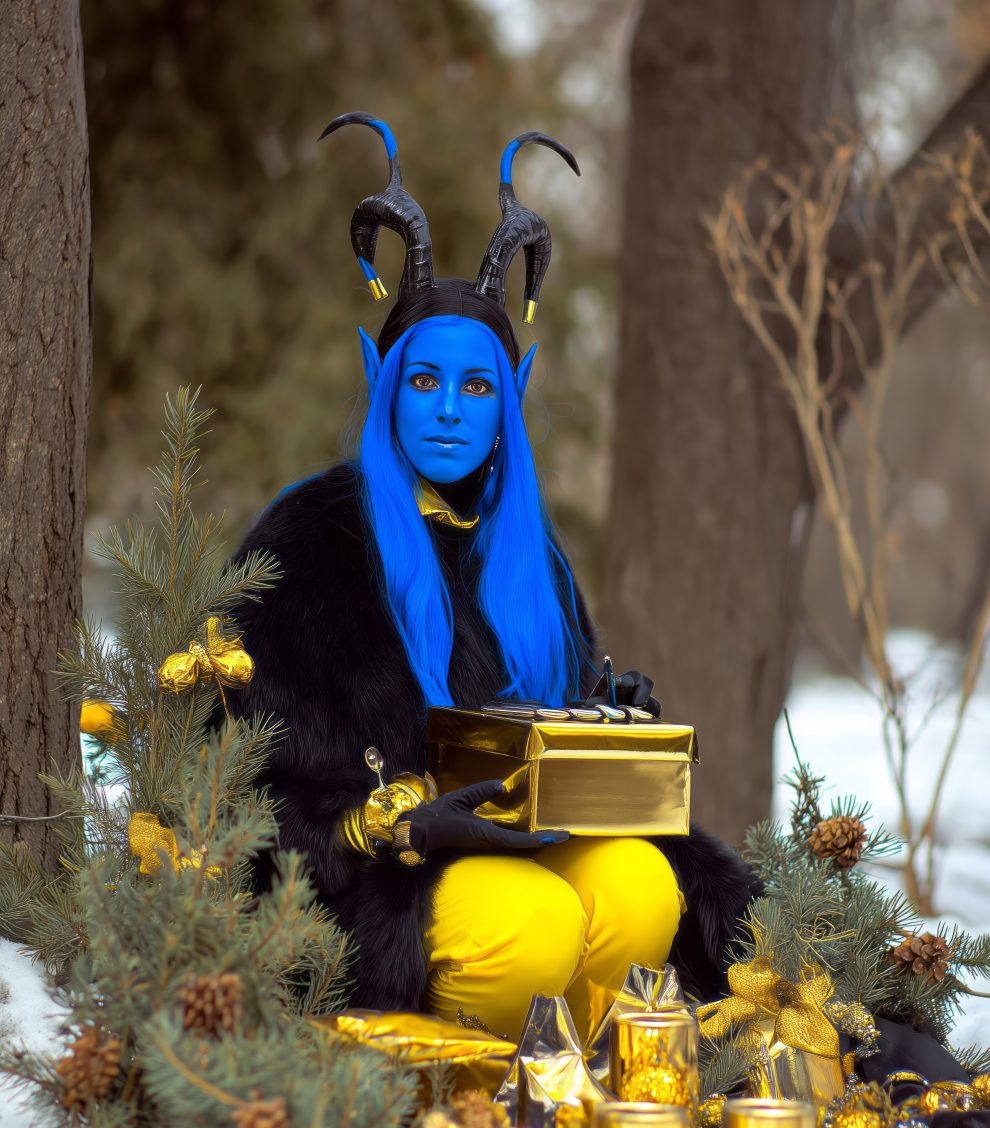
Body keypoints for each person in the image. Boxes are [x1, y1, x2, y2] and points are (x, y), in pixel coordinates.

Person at [224, 114, 755, 1042]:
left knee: (641, 885)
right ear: (382, 379)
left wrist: (606, 721)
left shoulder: (533, 559)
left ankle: (568, 1078)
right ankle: (485, 1068)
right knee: (534, 926)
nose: (447, 411)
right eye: (423, 381)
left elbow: (545, 738)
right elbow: (243, 780)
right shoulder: (308, 540)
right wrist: (389, 824)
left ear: (513, 394)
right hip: (371, 885)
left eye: (475, 388)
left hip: (526, 851)